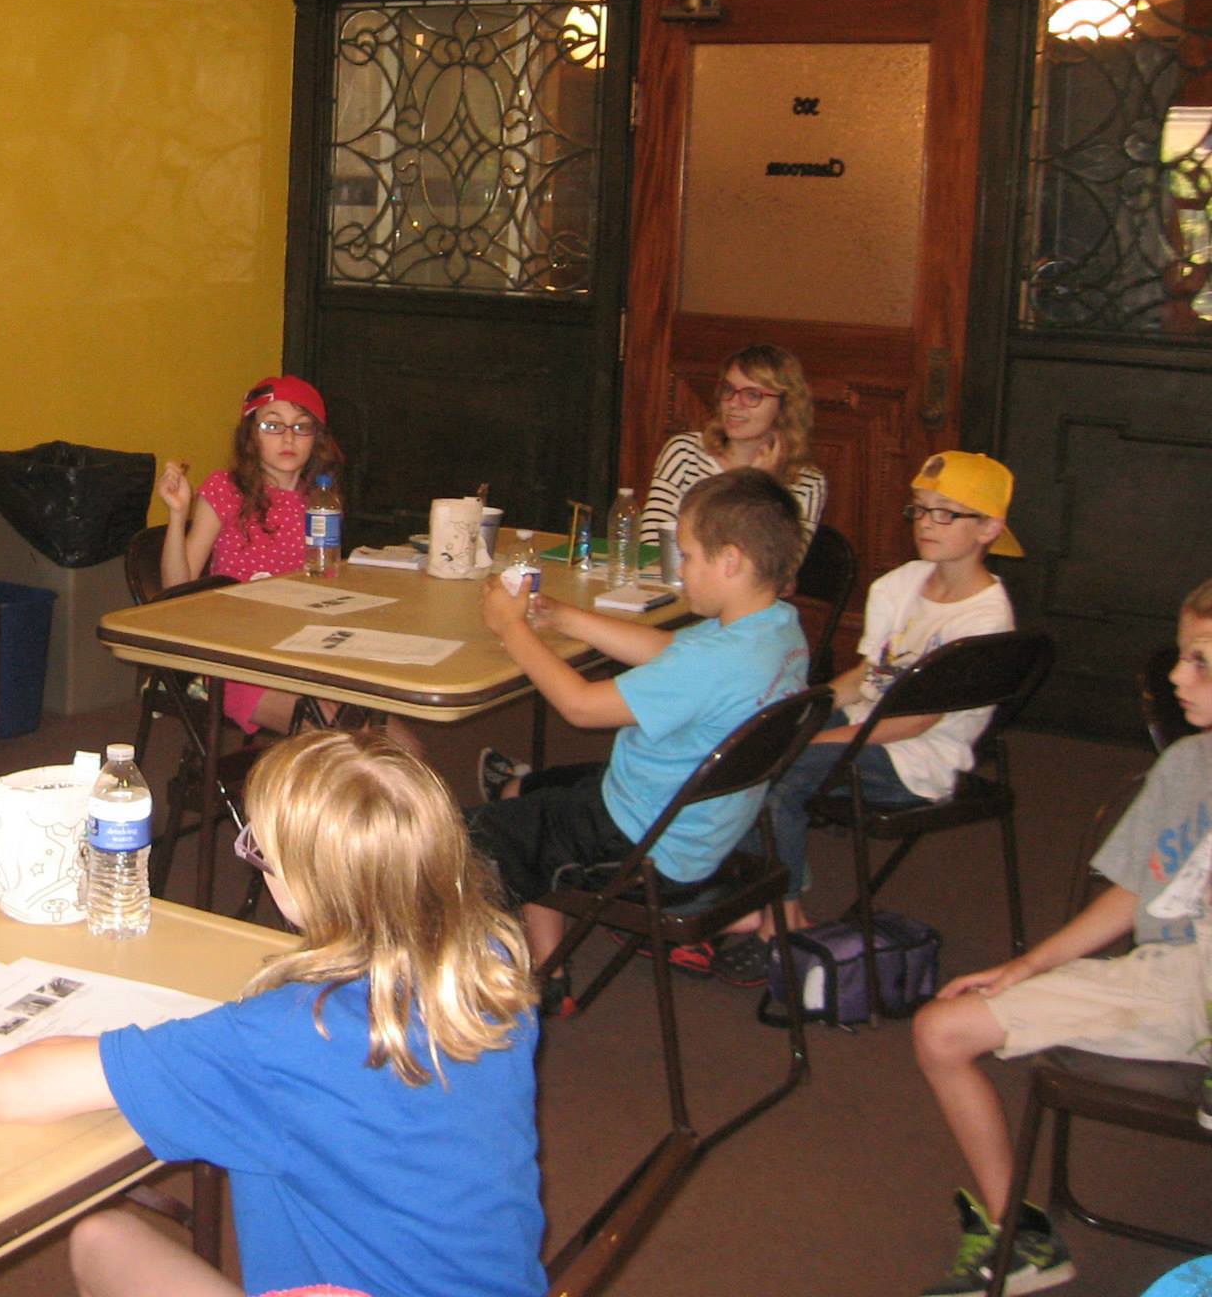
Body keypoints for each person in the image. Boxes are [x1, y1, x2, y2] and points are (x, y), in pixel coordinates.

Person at [0, 728, 545, 1297]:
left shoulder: (289, 1035)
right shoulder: (491, 966)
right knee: (105, 1236)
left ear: (303, 883)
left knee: (99, 1240)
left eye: (257, 850)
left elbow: (10, 1089)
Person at [907, 576, 1211, 1297]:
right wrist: (1028, 965)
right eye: (1182, 654)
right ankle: (1022, 1238)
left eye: (1201, 660)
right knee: (941, 1030)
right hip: (1167, 979)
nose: (1176, 676)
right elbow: (1138, 889)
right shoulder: (1188, 764)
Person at [472, 468, 809, 986]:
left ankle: (525, 977)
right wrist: (563, 617)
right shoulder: (776, 630)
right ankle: (548, 964)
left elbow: (581, 706)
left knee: (457, 844)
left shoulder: (714, 662)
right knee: (527, 793)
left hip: (642, 842)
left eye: (688, 556)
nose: (682, 570)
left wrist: (511, 627)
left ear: (730, 560)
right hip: (691, 822)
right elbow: (668, 650)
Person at [719, 451, 1023, 982]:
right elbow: (866, 675)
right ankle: (756, 898)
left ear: (988, 529)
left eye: (946, 513)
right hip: (866, 725)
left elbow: (916, 723)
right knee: (749, 742)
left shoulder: (984, 619)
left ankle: (783, 920)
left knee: (783, 774)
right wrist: (799, 710)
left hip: (917, 759)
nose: (926, 523)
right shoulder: (901, 584)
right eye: (920, 509)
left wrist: (815, 741)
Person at [156, 375, 348, 739]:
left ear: (317, 438)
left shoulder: (320, 500)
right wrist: (178, 515)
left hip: (302, 647)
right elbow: (176, 589)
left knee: (386, 735)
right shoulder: (226, 490)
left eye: (301, 427)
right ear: (250, 435)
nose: (288, 438)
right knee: (335, 734)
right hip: (236, 657)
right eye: (272, 426)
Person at [637, 342, 827, 552]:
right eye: (729, 390)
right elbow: (651, 546)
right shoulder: (685, 452)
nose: (734, 403)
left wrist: (759, 488)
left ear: (785, 406)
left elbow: (778, 565)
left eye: (752, 395)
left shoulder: (807, 483)